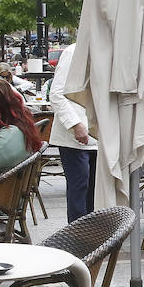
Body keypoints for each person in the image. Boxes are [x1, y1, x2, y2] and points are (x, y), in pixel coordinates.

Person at [47, 42, 98, 223]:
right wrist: (75, 124)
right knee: (79, 190)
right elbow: (57, 93)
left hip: (99, 136)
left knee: (96, 193)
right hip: (75, 136)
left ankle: (93, 239)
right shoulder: (73, 52)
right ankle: (77, 238)